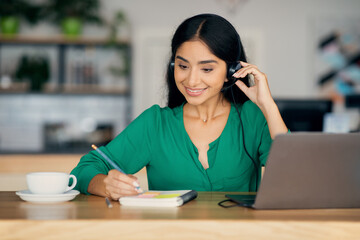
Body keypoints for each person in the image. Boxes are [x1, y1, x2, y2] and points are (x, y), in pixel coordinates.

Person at [70, 13, 288, 200]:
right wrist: (106, 185)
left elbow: (293, 176)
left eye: (207, 69)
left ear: (231, 72)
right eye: (183, 66)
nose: (191, 81)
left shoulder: (253, 118)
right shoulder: (155, 124)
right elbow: (83, 170)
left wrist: (267, 105)